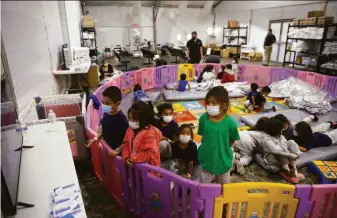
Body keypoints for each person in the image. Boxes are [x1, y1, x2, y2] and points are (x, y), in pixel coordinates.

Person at [198, 86, 240, 184]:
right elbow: (203, 135)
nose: (209, 106)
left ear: (224, 105)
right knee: (204, 188)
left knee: (223, 189)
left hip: (223, 161)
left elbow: (232, 140)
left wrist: (222, 147)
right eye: (208, 103)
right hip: (206, 159)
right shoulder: (203, 119)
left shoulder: (230, 123)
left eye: (214, 102)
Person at [87, 86, 128, 156]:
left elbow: (128, 140)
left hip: (117, 154)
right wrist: (95, 138)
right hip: (108, 149)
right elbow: (104, 129)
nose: (104, 105)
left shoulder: (122, 120)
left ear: (117, 104)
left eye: (107, 103)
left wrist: (117, 150)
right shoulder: (107, 112)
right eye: (103, 102)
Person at [261, 118, 303, 183]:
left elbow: (286, 146)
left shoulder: (281, 137)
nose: (282, 129)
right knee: (280, 152)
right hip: (271, 158)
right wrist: (291, 155)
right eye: (281, 128)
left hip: (284, 155)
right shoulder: (267, 139)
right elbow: (276, 151)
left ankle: (295, 171)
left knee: (291, 142)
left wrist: (296, 154)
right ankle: (288, 172)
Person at [121, 101, 162, 168]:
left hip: (148, 169)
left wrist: (132, 158)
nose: (131, 121)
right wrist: (125, 156)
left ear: (143, 119)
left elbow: (151, 153)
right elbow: (125, 143)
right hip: (134, 166)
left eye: (134, 119)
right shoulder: (130, 129)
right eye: (129, 118)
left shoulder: (150, 133)